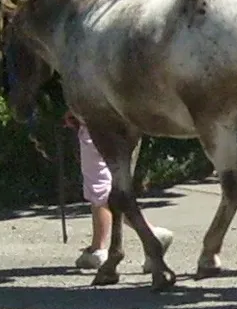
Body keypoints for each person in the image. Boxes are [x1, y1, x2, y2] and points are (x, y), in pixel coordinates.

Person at [67, 112, 173, 273]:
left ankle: (100, 248)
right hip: (123, 121)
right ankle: (101, 245)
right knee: (110, 183)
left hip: (96, 122)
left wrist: (75, 111)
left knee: (98, 186)